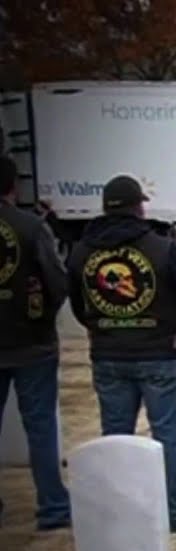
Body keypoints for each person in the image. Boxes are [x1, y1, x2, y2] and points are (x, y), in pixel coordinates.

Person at [67, 175, 176, 532]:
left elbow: (79, 305)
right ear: (139, 206)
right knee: (169, 435)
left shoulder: (82, 252)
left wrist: (105, 327)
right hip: (160, 352)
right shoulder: (164, 248)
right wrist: (171, 330)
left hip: (108, 353)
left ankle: (119, 512)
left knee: (115, 436)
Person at [0, 155, 71, 531]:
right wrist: (43, 318)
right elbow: (57, 281)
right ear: (12, 186)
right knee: (41, 427)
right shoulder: (30, 227)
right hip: (32, 343)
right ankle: (52, 507)